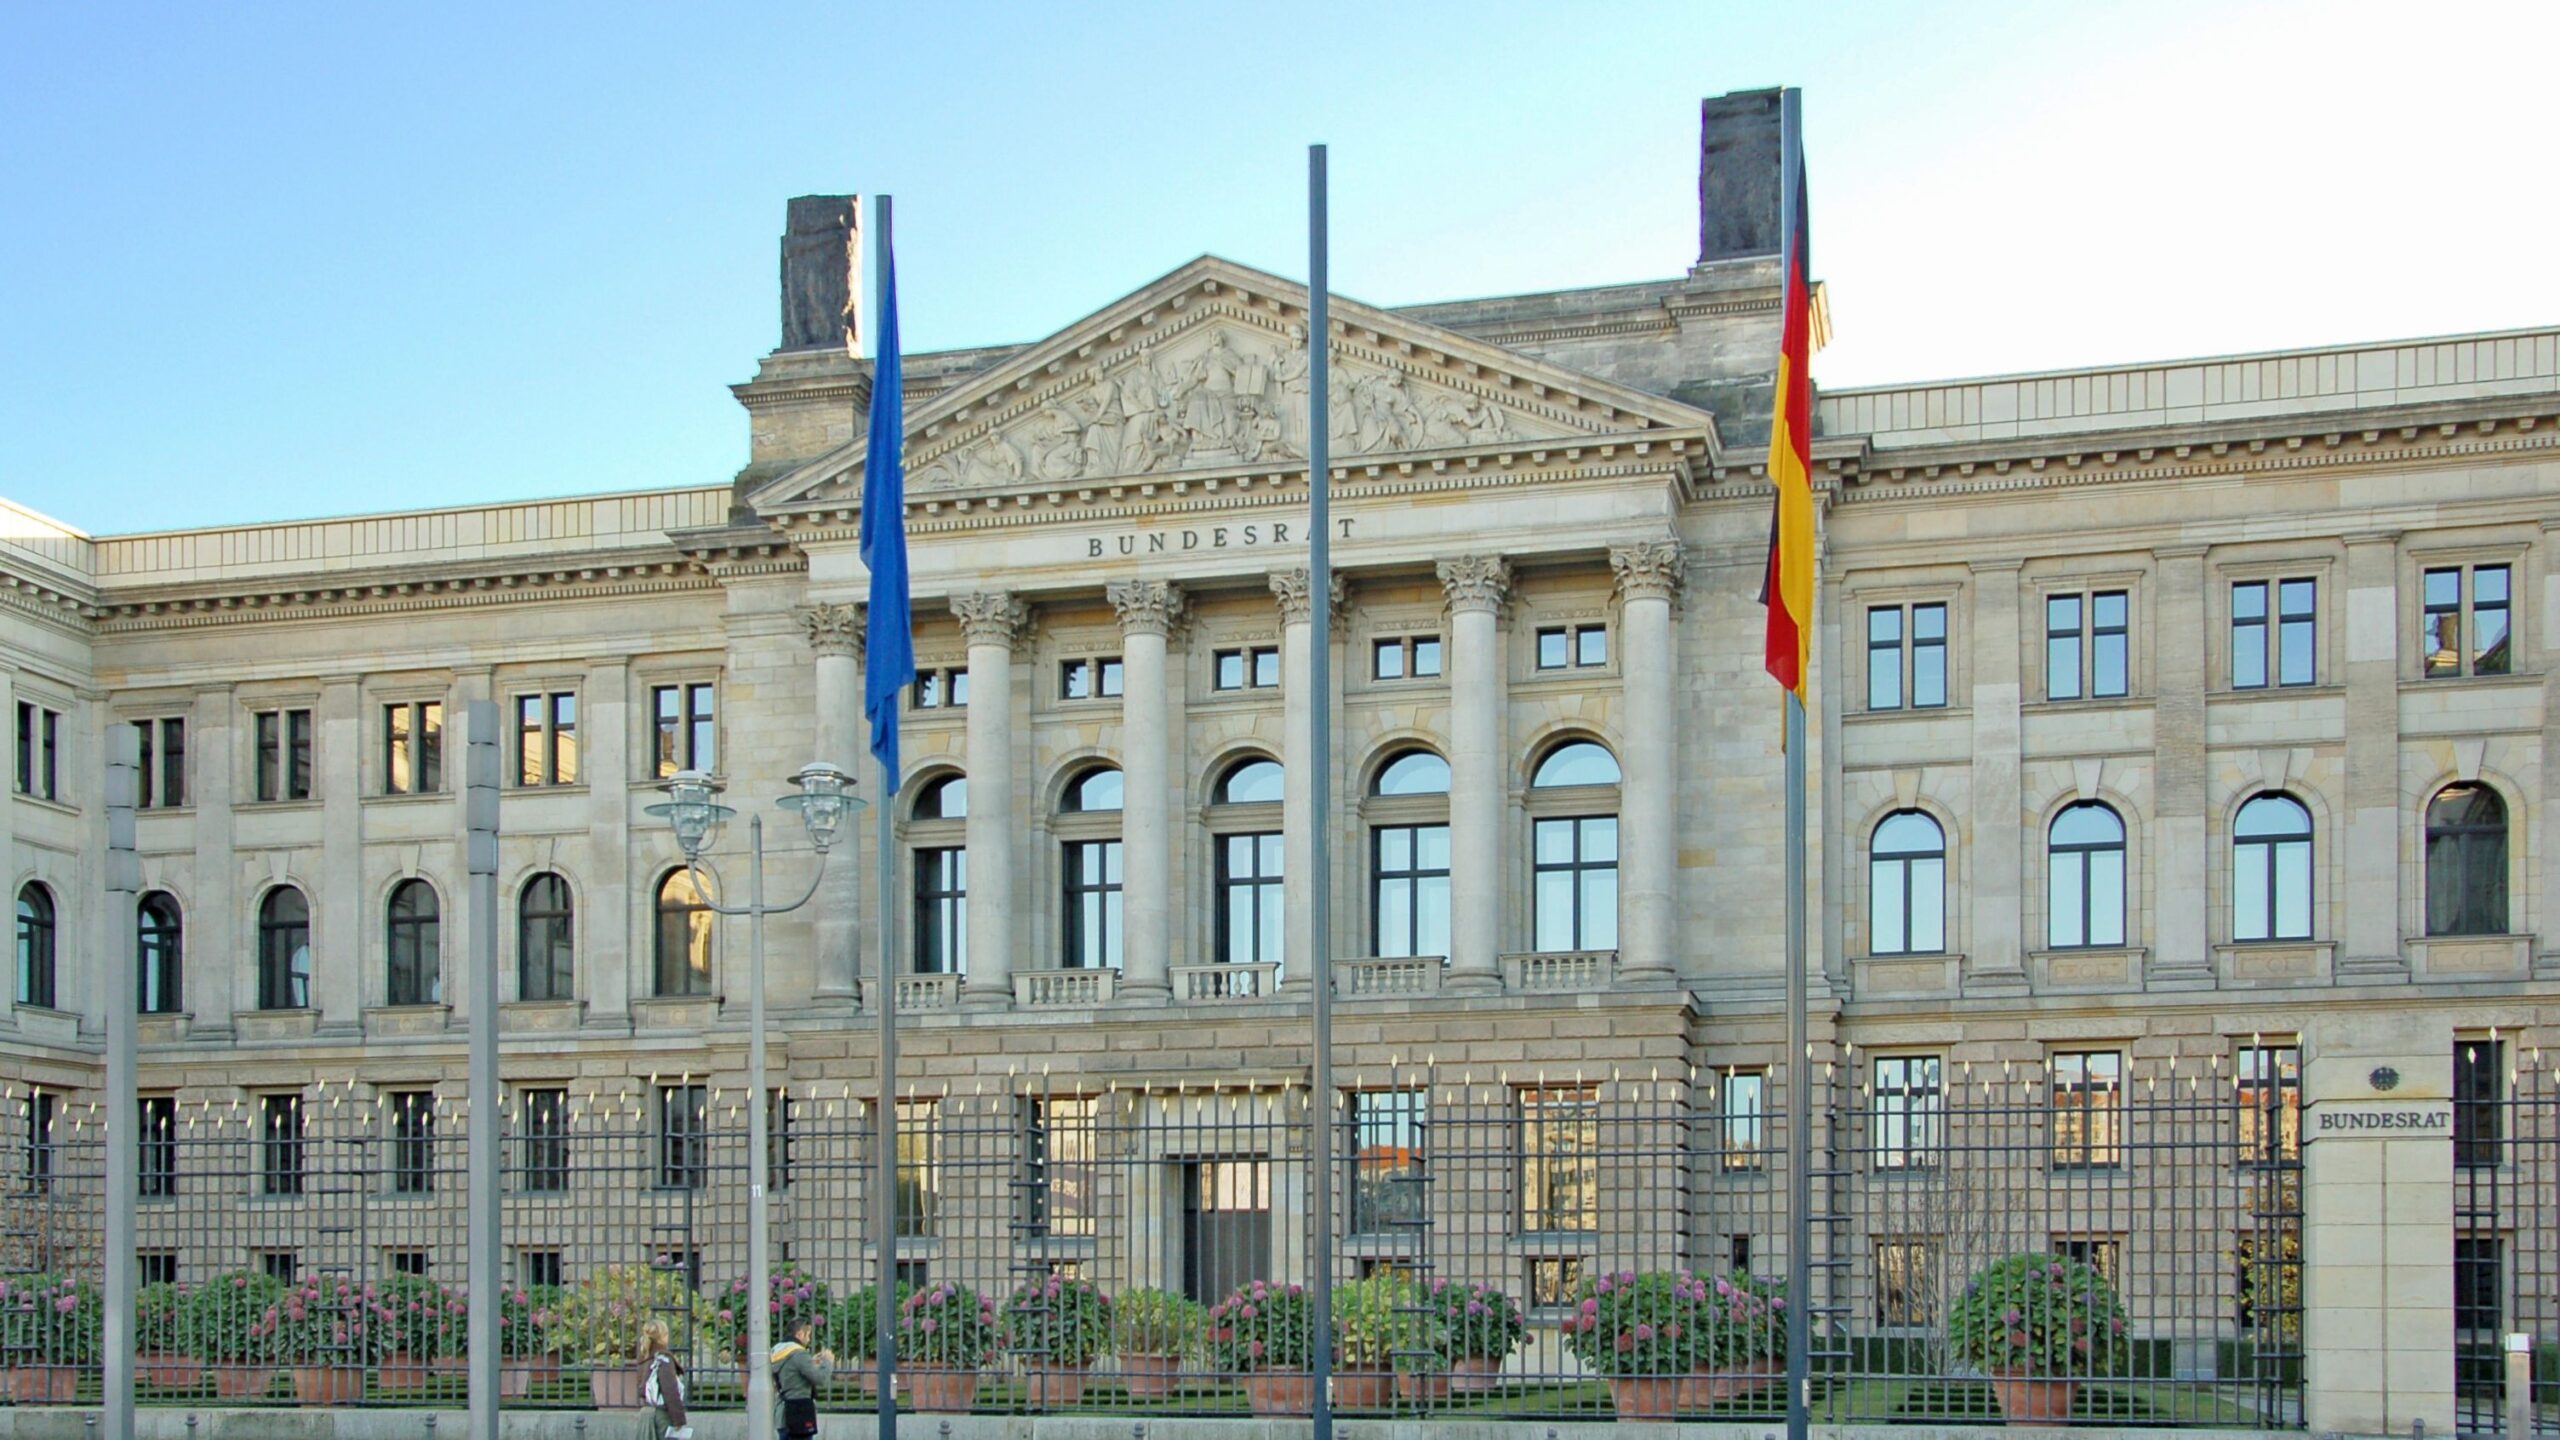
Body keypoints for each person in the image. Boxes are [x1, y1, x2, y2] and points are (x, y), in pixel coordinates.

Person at [772, 1314, 836, 1440]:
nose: (809, 1340)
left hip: (782, 1414)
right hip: (799, 1414)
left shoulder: (777, 1351)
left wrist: (810, 1362)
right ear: (800, 1334)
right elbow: (820, 1379)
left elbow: (790, 1371)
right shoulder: (799, 1353)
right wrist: (827, 1362)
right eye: (808, 1335)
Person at [637, 1321, 690, 1440]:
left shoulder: (645, 1357)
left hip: (646, 1413)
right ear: (663, 1337)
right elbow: (670, 1390)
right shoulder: (663, 1359)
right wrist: (679, 1419)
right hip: (661, 1415)